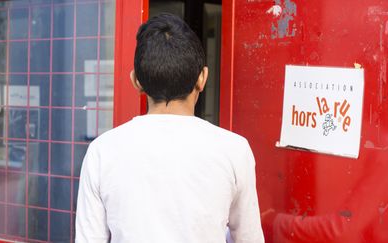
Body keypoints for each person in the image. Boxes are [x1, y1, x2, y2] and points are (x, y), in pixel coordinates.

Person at [75, 13, 264, 243]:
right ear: (202, 78)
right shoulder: (235, 150)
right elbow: (249, 238)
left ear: (136, 81)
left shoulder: (101, 151)